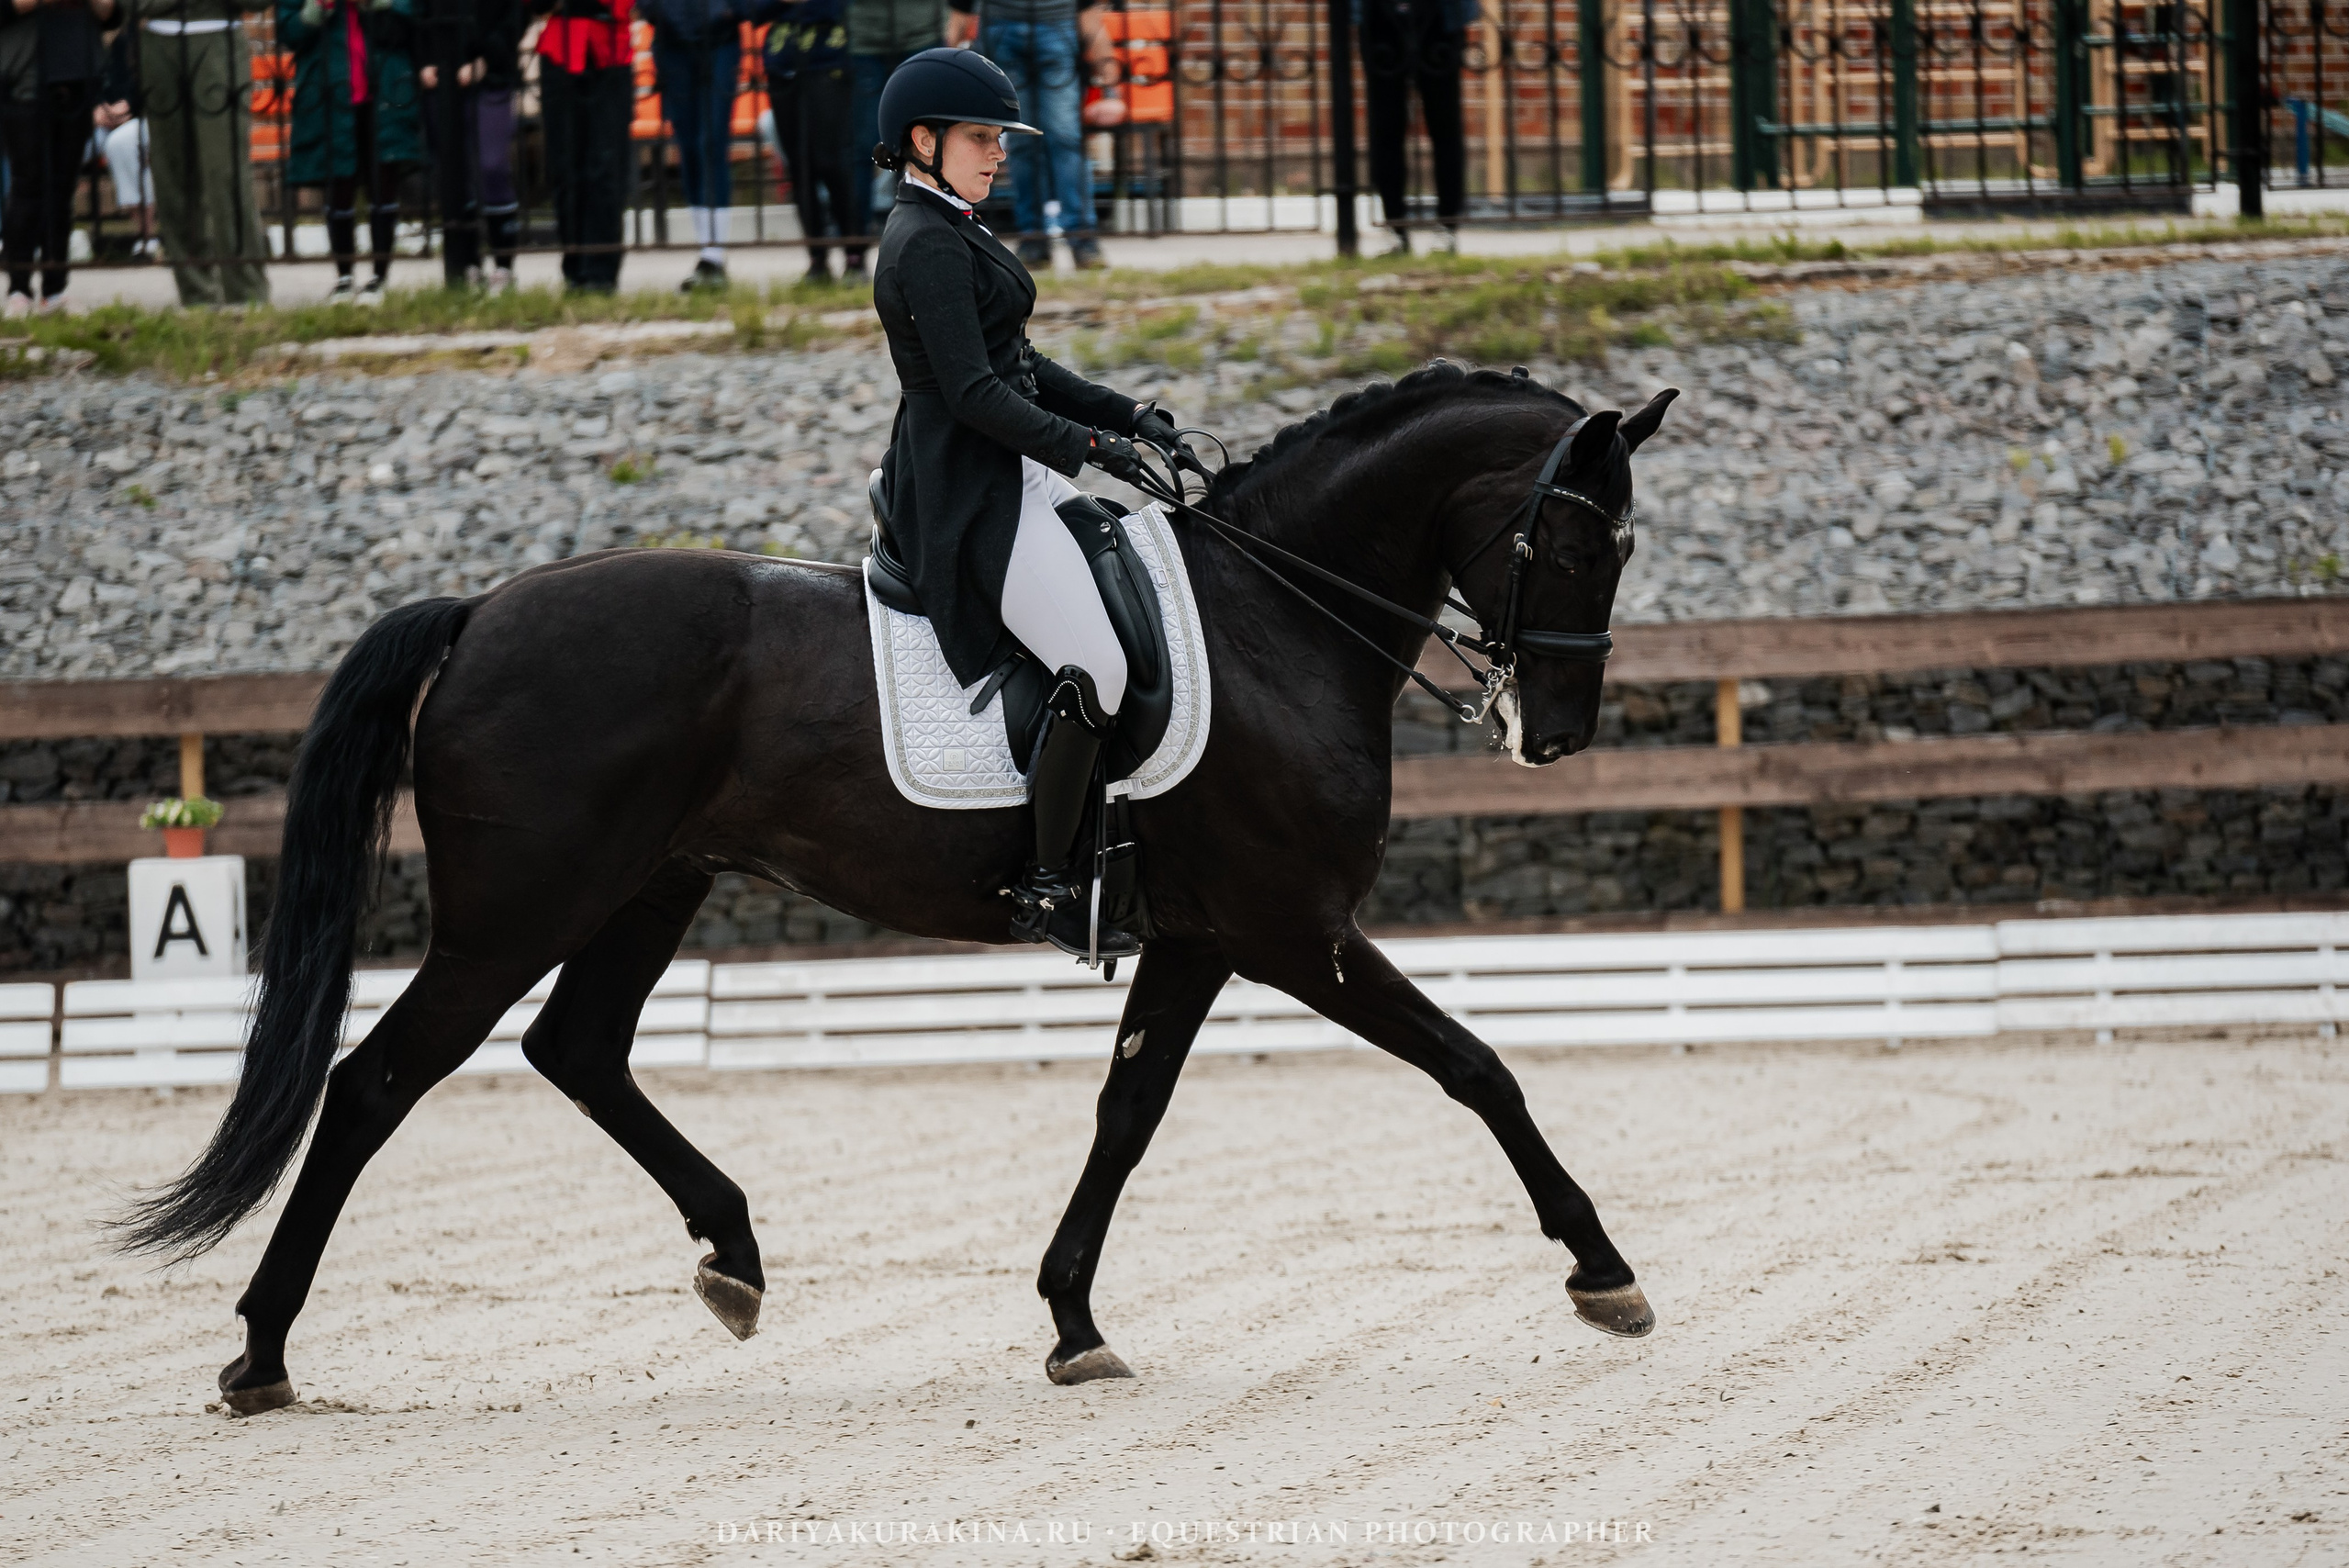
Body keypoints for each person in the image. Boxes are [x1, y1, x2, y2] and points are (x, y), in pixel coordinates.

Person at [868, 48, 1180, 958]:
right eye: (979, 137)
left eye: (998, 137)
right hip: (970, 490)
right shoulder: (924, 241)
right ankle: (1050, 886)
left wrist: (1128, 414)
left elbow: (1022, 366)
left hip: (1010, 468)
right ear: (922, 142)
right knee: (1097, 666)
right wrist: (1096, 450)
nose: (996, 152)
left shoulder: (953, 223)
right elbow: (974, 394)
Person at [945, 0, 1113, 270]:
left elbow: (1090, 13)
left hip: (1053, 20)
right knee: (1025, 141)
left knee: (1064, 138)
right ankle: (1035, 239)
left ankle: (1079, 238)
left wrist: (1107, 71)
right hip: (1007, 23)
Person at [279, 0, 425, 302]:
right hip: (330, 91)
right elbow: (288, 31)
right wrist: (315, 11)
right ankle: (344, 277)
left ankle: (379, 277)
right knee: (338, 184)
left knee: (383, 181)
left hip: (385, 87)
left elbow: (413, 19)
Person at [132, 0, 274, 308]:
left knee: (226, 172)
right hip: (158, 44)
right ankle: (196, 294)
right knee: (172, 176)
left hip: (218, 41)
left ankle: (246, 292)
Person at [0, 0, 117, 315]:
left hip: (75, 76)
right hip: (23, 78)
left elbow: (111, 14)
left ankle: (55, 289)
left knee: (62, 189)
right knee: (27, 186)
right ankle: (19, 288)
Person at [744, 0, 856, 284]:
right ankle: (817, 257)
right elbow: (750, 9)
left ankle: (854, 252)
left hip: (828, 58)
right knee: (799, 164)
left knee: (830, 160)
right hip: (782, 62)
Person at [415, 0, 522, 287]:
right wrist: (424, 61)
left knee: (491, 166)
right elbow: (416, 14)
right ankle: (466, 263)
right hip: (439, 78)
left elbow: (515, 15)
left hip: (491, 76)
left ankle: (503, 262)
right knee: (454, 174)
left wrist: (486, 60)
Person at [529, 0, 634, 293]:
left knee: (605, 165)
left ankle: (600, 271)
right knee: (565, 166)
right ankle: (575, 269)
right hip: (562, 47)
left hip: (608, 48)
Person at [1359, 0, 1472, 254]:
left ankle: (1447, 226)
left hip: (1439, 16)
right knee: (1385, 128)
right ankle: (1395, 227)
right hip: (1381, 19)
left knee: (1444, 125)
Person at [641, 0, 735, 290]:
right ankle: (706, 249)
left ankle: (713, 254)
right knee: (689, 147)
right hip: (673, 39)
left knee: (711, 141)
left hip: (720, 35)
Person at [845, 0, 939, 256]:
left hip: (921, 33)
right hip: (866, 37)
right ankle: (855, 248)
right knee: (863, 147)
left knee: (920, 147)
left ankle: (918, 237)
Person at [91, 24, 157, 260]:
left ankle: (146, 234)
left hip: (146, 118)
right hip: (99, 119)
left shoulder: (141, 34)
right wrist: (95, 110)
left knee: (122, 144)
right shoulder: (87, 33)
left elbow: (152, 82)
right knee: (70, 145)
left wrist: (128, 105)